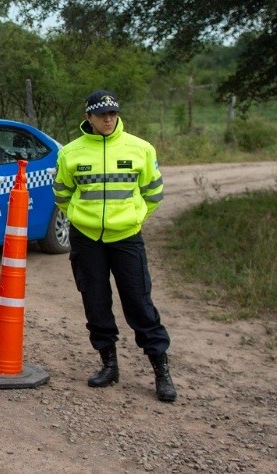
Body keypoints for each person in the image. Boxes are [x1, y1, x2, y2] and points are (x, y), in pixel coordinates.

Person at [53, 90, 176, 403]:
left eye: (113, 114)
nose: (108, 119)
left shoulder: (140, 148)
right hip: (87, 239)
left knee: (139, 302)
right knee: (95, 301)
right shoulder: (70, 153)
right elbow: (62, 195)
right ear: (89, 117)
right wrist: (83, 220)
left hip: (126, 238)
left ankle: (161, 370)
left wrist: (133, 219)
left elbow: (154, 194)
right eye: (101, 114)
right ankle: (108, 365)